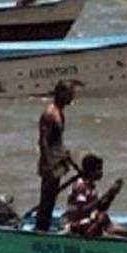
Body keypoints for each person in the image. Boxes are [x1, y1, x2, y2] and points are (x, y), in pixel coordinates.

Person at [62, 154, 127, 238]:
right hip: (78, 225)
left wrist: (111, 195)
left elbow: (100, 208)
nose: (101, 172)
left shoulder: (92, 187)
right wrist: (106, 196)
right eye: (98, 169)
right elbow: (79, 212)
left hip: (93, 222)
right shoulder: (80, 187)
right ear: (91, 171)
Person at [35, 80, 75, 232]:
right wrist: (50, 164)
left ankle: (43, 228)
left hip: (57, 162)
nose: (72, 96)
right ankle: (40, 230)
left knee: (51, 199)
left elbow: (57, 141)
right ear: (60, 93)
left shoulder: (60, 113)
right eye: (70, 93)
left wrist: (66, 157)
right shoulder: (50, 114)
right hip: (49, 163)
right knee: (46, 200)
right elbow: (43, 141)